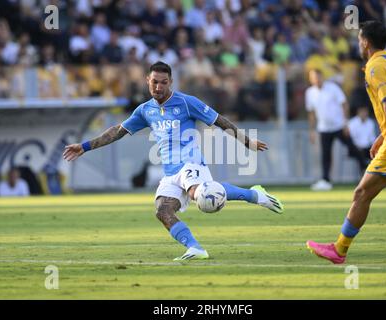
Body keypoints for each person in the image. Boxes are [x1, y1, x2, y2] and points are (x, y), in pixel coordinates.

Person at [63, 61, 283, 261]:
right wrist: (84, 146)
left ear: (171, 82)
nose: (158, 87)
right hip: (170, 172)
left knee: (200, 195)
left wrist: (246, 141)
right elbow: (117, 131)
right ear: (147, 81)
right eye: (155, 82)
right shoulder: (145, 110)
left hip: (191, 163)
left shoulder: (187, 102)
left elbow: (219, 120)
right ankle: (196, 249)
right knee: (162, 211)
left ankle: (254, 195)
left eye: (164, 83)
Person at [307, 21, 386, 264]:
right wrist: (383, 135)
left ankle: (339, 250)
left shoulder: (374, 67)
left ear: (365, 41)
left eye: (358, 39)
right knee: (363, 193)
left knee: (362, 193)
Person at [306, 68, 367, 191]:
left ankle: (366, 169)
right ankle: (326, 180)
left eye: (318, 77)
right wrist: (312, 130)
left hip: (339, 126)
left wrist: (345, 124)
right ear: (310, 79)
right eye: (313, 77)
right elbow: (311, 112)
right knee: (326, 155)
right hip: (324, 128)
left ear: (322, 77)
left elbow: (344, 104)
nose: (316, 79)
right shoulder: (310, 92)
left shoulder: (332, 88)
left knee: (352, 148)